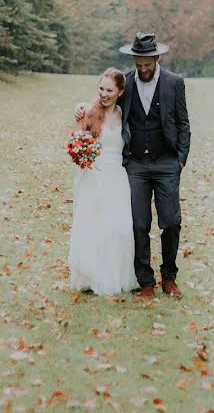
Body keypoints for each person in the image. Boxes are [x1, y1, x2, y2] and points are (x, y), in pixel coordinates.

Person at [75, 32, 191, 301]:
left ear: (157, 58)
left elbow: (184, 123)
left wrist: (180, 160)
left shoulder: (174, 83)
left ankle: (169, 277)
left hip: (166, 163)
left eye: (147, 64)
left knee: (171, 222)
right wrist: (80, 107)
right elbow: (104, 102)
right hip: (136, 164)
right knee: (138, 224)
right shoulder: (125, 82)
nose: (142, 69)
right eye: (138, 63)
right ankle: (145, 281)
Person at [68, 68, 139, 295]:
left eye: (109, 90)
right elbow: (75, 139)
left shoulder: (124, 113)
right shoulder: (89, 111)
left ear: (120, 91)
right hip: (94, 175)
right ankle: (92, 276)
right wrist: (82, 153)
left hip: (117, 176)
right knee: (94, 226)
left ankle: (115, 276)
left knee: (120, 229)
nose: (104, 94)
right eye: (101, 88)